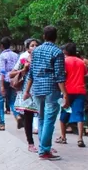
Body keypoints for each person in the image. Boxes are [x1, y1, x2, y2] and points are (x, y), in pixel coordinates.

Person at [29, 26, 67, 159]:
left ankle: (43, 147)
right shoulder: (57, 52)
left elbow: (31, 72)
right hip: (51, 88)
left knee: (41, 118)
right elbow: (59, 76)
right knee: (49, 119)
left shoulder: (36, 51)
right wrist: (65, 94)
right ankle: (44, 150)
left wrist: (27, 90)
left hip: (37, 87)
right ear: (56, 37)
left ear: (44, 36)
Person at [57, 42, 88, 148]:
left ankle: (63, 137)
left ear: (65, 51)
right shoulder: (81, 62)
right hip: (80, 91)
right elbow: (86, 75)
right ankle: (80, 138)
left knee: (64, 114)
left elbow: (62, 76)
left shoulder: (64, 61)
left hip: (67, 91)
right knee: (79, 115)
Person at [0, 36, 19, 132]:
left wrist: (1, 85)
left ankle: (2, 123)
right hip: (13, 80)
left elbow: (2, 71)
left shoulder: (2, 56)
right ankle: (18, 116)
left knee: (1, 101)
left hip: (5, 80)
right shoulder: (15, 55)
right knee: (12, 102)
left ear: (1, 45)